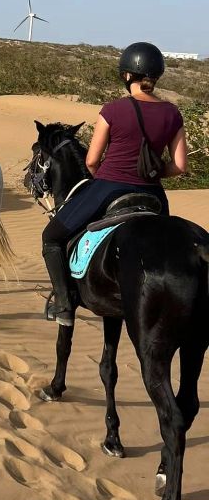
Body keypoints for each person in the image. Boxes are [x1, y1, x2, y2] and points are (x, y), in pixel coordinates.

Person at [42, 41, 188, 327]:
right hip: (154, 195)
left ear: (126, 75)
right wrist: (153, 172)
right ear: (157, 75)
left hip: (108, 186)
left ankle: (64, 304)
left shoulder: (113, 110)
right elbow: (180, 166)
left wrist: (108, 175)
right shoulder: (172, 113)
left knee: (52, 237)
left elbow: (91, 161)